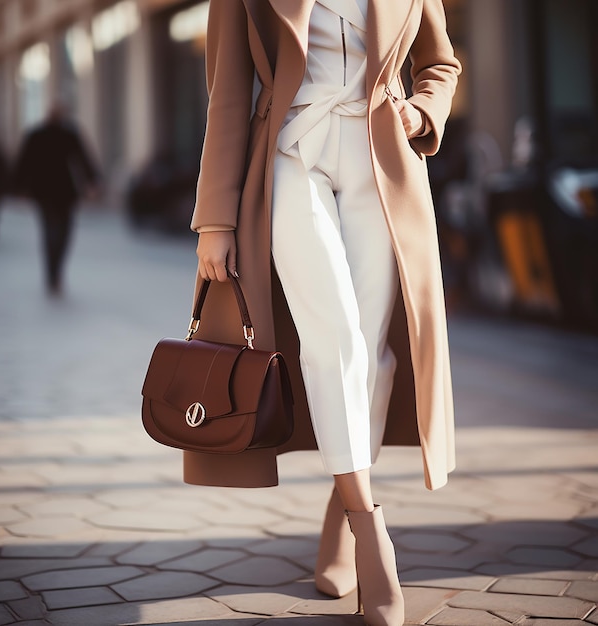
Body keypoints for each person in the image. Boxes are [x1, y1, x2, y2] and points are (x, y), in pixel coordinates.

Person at [189, 2, 461, 624]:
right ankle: (372, 536)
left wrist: (421, 112)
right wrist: (216, 218)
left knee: (371, 350)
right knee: (333, 336)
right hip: (289, 157)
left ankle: (341, 507)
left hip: (384, 162)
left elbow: (439, 63)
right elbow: (228, 88)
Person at [14, 103, 99, 295]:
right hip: (53, 192)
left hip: (58, 192)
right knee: (54, 233)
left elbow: (83, 158)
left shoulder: (65, 134)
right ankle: (53, 273)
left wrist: (92, 181)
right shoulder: (40, 135)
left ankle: (54, 271)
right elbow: (24, 162)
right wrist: (19, 187)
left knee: (59, 233)